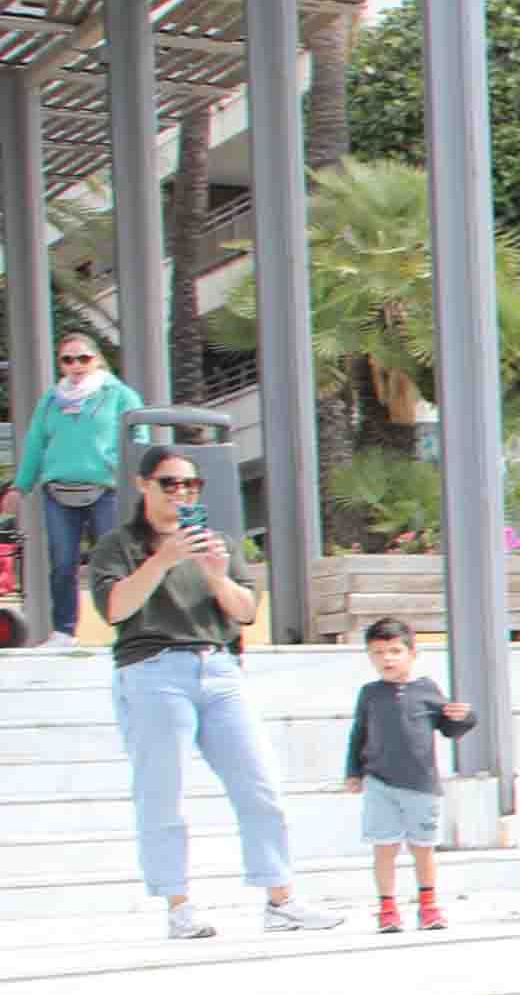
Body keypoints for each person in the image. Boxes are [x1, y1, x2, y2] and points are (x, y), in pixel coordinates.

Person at [90, 447, 338, 941]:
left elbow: (246, 611)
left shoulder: (216, 543)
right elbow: (115, 609)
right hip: (153, 669)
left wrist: (216, 575)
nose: (181, 493)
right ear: (144, 486)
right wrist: (164, 559)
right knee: (164, 794)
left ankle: (280, 898)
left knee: (261, 784)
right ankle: (178, 905)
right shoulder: (120, 545)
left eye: (191, 486)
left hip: (218, 667)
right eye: (170, 483)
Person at [339, 616, 474, 935]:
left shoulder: (427, 690)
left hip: (421, 785)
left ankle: (428, 906)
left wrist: (466, 717)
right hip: (379, 783)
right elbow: (358, 733)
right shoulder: (369, 694)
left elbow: (450, 728)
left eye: (395, 651)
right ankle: (387, 908)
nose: (387, 659)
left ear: (412, 654)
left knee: (423, 847)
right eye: (379, 652)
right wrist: (353, 772)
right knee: (384, 846)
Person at [14, 322, 125, 634]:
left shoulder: (117, 395)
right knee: (62, 564)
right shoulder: (50, 400)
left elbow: (137, 434)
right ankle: (64, 630)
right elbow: (36, 443)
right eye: (67, 360)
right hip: (58, 492)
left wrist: (120, 467)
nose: (76, 366)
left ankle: (123, 627)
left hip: (105, 490)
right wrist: (20, 486)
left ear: (97, 360)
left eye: (83, 358)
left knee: (111, 562)